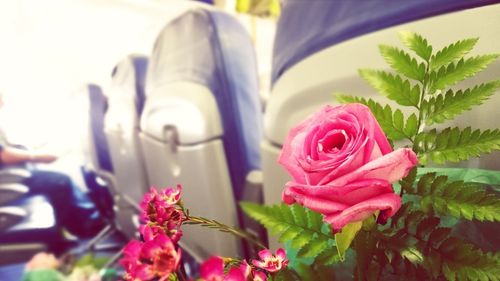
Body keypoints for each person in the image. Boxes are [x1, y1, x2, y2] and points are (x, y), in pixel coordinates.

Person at [0, 93, 104, 238]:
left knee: (59, 178)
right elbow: (4, 155)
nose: (3, 100)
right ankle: (86, 227)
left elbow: (7, 148)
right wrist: (35, 156)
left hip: (12, 175)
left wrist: (32, 149)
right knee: (60, 181)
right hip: (8, 180)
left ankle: (89, 221)